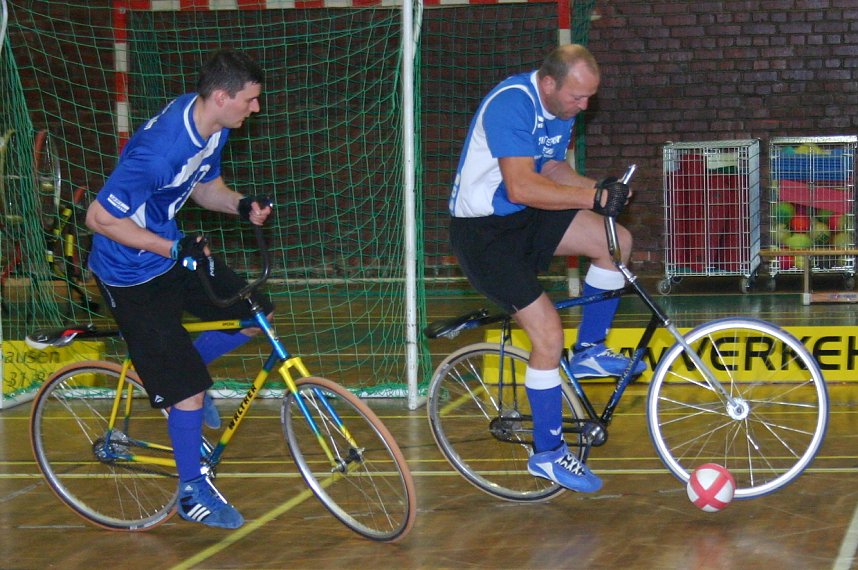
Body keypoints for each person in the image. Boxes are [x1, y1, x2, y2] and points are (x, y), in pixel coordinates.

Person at [85, 48, 274, 529]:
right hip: (129, 275)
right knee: (188, 391)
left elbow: (204, 188)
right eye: (250, 100)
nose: (255, 108)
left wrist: (241, 204)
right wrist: (168, 250)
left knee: (257, 314)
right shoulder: (161, 149)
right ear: (221, 96)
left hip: (170, 252)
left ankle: (182, 369)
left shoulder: (209, 128)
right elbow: (100, 218)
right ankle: (192, 492)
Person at [448, 44, 644, 494]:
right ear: (550, 83)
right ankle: (548, 454)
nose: (584, 106)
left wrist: (601, 188)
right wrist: (590, 199)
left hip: (522, 216)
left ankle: (591, 350)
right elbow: (520, 186)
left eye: (590, 98)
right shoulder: (511, 103)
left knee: (617, 243)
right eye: (578, 98)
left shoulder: (563, 107)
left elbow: (553, 167)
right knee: (548, 335)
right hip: (484, 235)